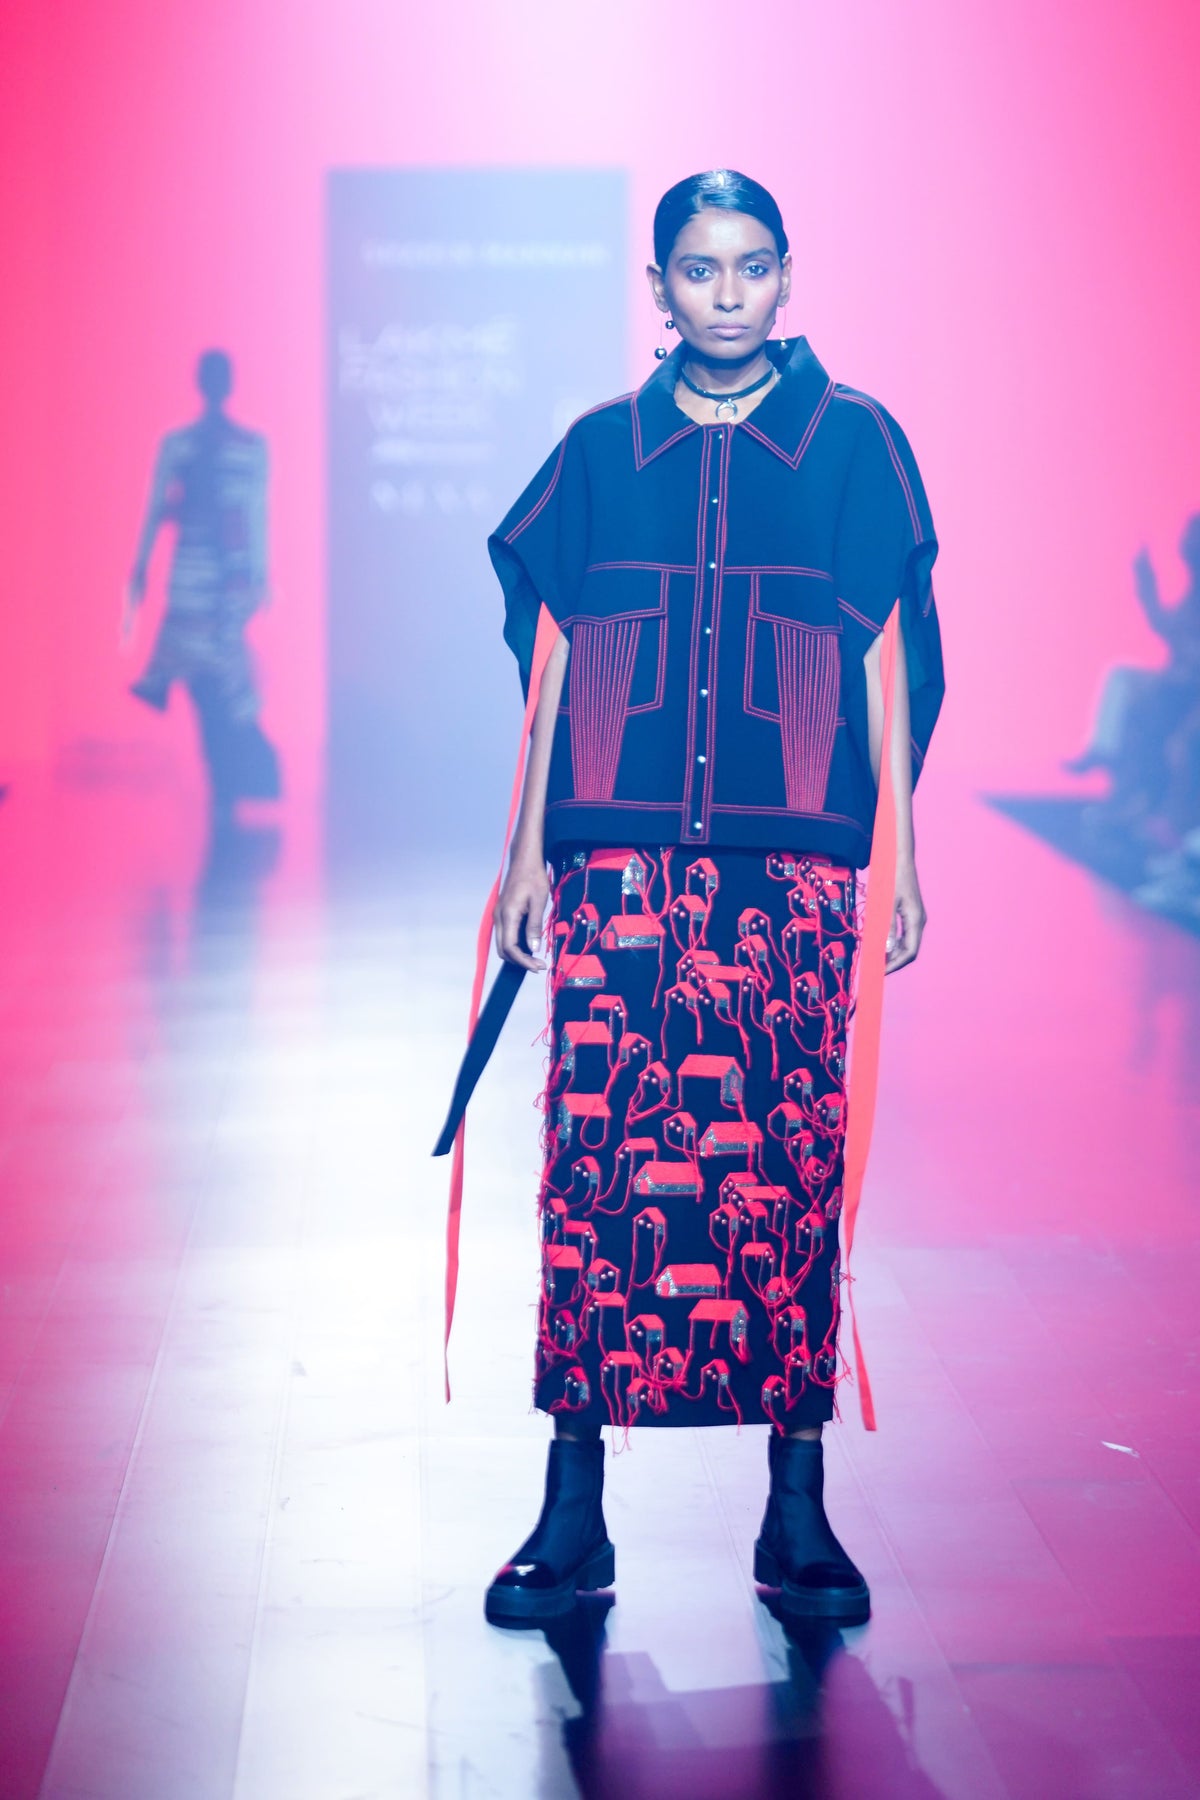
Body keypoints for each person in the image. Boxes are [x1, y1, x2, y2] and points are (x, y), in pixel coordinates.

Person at [477, 171, 944, 1629]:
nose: (726, 292)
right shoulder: (601, 449)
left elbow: (892, 658)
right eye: (698, 267)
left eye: (750, 266)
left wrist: (903, 852)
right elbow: (560, 658)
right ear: (658, 286)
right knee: (596, 1172)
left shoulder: (856, 443)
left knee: (786, 1166)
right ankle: (573, 1508)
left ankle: (797, 1507)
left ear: (787, 276)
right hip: (618, 861)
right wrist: (524, 854)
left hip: (789, 865)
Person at [124, 349, 280, 817]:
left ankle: (227, 785)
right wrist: (140, 568)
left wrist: (258, 575)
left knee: (219, 684)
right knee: (213, 684)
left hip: (215, 583)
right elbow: (160, 507)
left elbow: (253, 514)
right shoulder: (195, 446)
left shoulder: (228, 447)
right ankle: (226, 786)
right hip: (204, 581)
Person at [1067, 516, 1200, 841]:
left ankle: (1163, 816)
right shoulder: (1194, 592)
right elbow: (1170, 628)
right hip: (1176, 684)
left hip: (1187, 689)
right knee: (1122, 679)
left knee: (1168, 734)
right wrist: (1145, 582)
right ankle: (1104, 750)